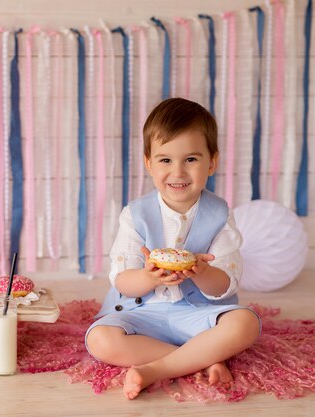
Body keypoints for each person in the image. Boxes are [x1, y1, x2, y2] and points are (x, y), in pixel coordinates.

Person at [85, 97, 261, 400]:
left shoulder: (219, 214)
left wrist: (203, 272)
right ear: (148, 163)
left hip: (198, 315)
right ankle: (204, 358)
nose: (178, 172)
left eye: (191, 159)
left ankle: (155, 369)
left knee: (245, 323)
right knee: (100, 340)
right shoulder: (135, 215)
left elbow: (225, 284)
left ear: (212, 162)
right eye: (166, 160)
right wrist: (150, 277)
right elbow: (123, 282)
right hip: (142, 315)